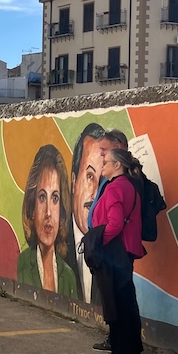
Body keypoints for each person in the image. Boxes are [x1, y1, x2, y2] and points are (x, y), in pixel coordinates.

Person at [90, 147, 146, 354]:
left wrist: (97, 242)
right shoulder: (130, 186)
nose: (102, 166)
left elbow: (114, 224)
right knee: (127, 303)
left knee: (116, 306)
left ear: (117, 165)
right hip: (127, 250)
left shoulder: (114, 188)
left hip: (114, 252)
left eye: (106, 163)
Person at [17, 144, 78, 298]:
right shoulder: (21, 265)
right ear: (32, 209)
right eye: (42, 197)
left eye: (55, 198)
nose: (48, 212)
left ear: (62, 211)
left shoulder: (69, 276)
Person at [66, 123, 106, 302]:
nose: (96, 191)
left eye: (104, 179)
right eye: (89, 176)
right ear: (74, 182)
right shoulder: (53, 243)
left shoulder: (110, 245)